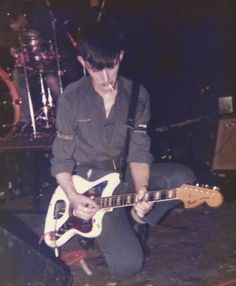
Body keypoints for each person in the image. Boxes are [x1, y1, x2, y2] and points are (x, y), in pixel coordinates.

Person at [51, 20, 196, 278]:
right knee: (127, 267)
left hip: (124, 179)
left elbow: (139, 152)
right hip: (89, 188)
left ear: (120, 56)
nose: (106, 78)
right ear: (83, 62)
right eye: (97, 69)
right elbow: (61, 160)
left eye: (112, 66)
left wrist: (142, 189)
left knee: (183, 178)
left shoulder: (138, 95)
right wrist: (73, 197)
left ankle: (138, 216)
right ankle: (109, 225)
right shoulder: (71, 98)